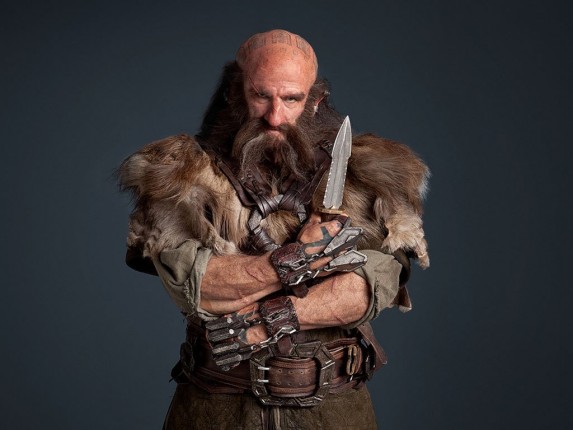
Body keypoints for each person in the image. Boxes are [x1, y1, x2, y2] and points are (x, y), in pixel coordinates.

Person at [118, 29, 430, 430]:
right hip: (217, 411)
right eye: (261, 95)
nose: (275, 116)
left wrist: (265, 321)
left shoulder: (369, 176)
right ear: (235, 93)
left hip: (332, 412)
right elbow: (200, 287)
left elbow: (368, 288)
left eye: (292, 99)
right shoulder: (179, 177)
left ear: (314, 101)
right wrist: (301, 256)